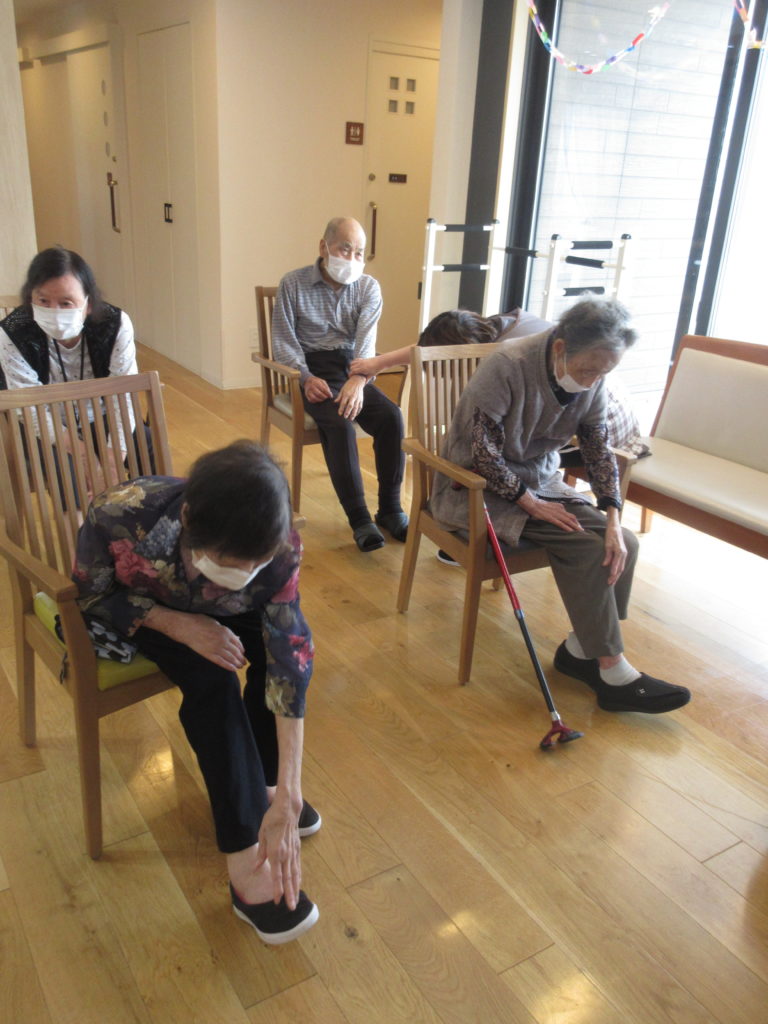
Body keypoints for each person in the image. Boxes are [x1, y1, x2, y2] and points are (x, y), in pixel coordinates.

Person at [72, 440, 320, 943]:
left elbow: (289, 653)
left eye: (253, 564)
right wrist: (178, 624)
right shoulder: (120, 515)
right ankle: (244, 856)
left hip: (226, 612)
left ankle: (265, 788)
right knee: (212, 679)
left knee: (268, 653)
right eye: (228, 562)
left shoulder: (279, 543)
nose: (240, 576)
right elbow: (92, 594)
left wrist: (290, 791)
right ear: (188, 519)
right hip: (149, 610)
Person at [429, 297, 690, 715]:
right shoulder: (508, 365)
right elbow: (483, 455)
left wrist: (612, 517)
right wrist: (531, 504)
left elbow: (598, 449)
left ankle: (580, 651)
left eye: (604, 372)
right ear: (560, 348)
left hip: (539, 480)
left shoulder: (592, 375)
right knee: (587, 548)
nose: (593, 380)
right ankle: (613, 672)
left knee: (623, 542)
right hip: (474, 486)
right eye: (588, 370)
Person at [272, 217, 407, 552]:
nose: (352, 258)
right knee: (340, 422)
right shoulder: (293, 284)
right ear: (324, 247)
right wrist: (305, 378)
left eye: (359, 252)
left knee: (391, 417)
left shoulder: (368, 287)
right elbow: (284, 343)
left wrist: (359, 380)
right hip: (312, 368)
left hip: (353, 366)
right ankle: (359, 519)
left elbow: (366, 343)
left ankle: (390, 509)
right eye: (345, 249)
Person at [0, 246, 150, 495]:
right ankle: (78, 520)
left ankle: (154, 512)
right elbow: (29, 406)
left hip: (102, 414)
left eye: (66, 303)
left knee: (146, 446)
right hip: (45, 422)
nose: (55, 311)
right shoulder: (12, 333)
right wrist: (81, 454)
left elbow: (123, 393)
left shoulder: (115, 324)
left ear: (88, 304)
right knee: (65, 471)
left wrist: (113, 459)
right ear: (30, 299)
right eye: (43, 301)